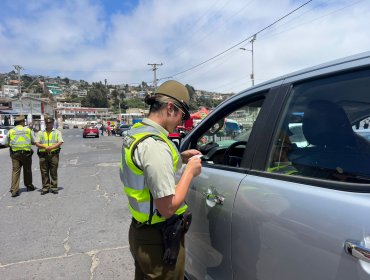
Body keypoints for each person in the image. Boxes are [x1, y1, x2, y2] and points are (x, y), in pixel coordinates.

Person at [120, 80, 202, 279]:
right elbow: (168, 208)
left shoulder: (138, 133)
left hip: (141, 233)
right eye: (182, 115)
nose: (181, 122)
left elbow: (145, 168)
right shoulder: (155, 145)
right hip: (159, 241)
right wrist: (190, 171)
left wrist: (179, 158)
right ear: (171, 108)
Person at [5, 115, 36, 197]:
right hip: (26, 154)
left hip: (15, 154)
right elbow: (34, 141)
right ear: (22, 122)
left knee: (15, 171)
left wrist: (11, 144)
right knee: (27, 170)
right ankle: (29, 186)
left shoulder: (11, 131)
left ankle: (14, 190)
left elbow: (5, 143)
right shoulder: (28, 130)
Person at [35, 116, 64, 195]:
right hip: (43, 155)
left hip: (54, 155)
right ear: (45, 123)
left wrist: (51, 147)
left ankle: (54, 187)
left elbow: (60, 142)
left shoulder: (57, 132)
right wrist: (45, 147)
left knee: (53, 171)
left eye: (50, 123)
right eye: (47, 123)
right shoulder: (40, 132)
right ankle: (45, 188)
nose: (48, 124)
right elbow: (37, 143)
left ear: (52, 123)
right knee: (44, 172)